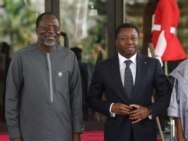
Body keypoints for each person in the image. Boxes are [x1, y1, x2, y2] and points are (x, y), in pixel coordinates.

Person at [86, 23, 172, 141]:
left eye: (133, 38)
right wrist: (111, 107)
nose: (130, 42)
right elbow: (91, 99)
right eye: (124, 38)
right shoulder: (103, 67)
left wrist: (149, 110)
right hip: (115, 134)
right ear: (116, 41)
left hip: (145, 133)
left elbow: (166, 95)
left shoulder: (152, 65)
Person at [5, 12, 83, 141]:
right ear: (37, 30)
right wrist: (15, 135)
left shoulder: (69, 57)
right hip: (29, 134)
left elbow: (76, 99)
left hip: (63, 134)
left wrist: (76, 132)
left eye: (56, 27)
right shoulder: (21, 58)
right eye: (45, 27)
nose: (51, 31)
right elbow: (11, 99)